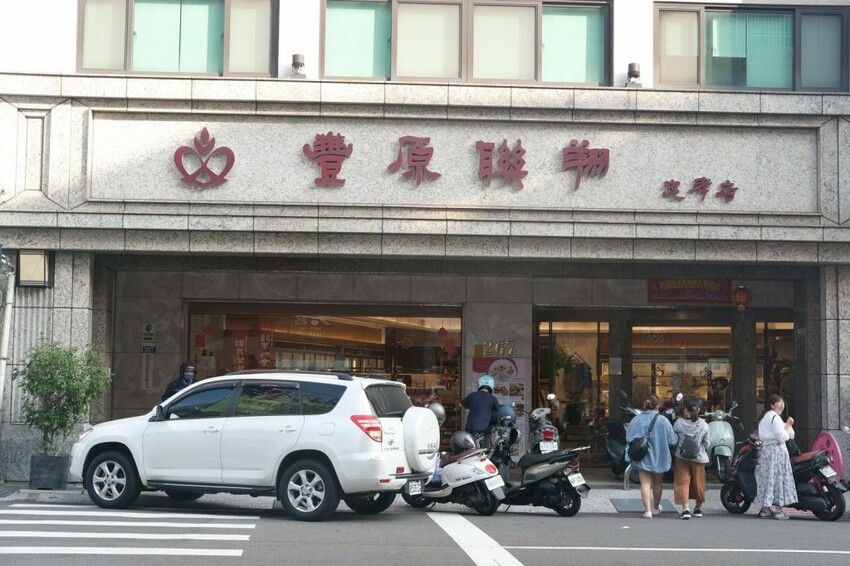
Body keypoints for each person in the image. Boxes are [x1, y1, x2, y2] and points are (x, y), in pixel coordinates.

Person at [626, 394, 678, 519]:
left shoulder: (636, 420)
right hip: (661, 456)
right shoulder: (663, 420)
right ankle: (655, 508)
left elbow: (628, 438)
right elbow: (673, 440)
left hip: (642, 457)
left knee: (645, 483)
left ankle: (647, 511)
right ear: (657, 406)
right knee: (657, 483)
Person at [755, 393, 797, 519]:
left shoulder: (765, 417)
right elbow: (781, 437)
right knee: (779, 479)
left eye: (782, 402)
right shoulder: (775, 417)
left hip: (767, 451)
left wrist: (786, 428)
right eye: (779, 402)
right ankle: (779, 510)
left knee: (768, 479)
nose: (782, 404)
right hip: (777, 451)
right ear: (772, 405)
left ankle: (765, 509)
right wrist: (788, 426)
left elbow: (788, 434)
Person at [672, 395, 711, 519]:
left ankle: (686, 509)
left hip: (681, 456)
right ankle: (698, 509)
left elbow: (674, 439)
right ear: (698, 409)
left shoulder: (678, 423)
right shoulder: (704, 425)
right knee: (699, 483)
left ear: (685, 409)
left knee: (683, 482)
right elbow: (707, 444)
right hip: (698, 457)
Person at [461, 375, 500, 447]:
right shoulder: (493, 399)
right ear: (492, 386)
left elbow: (462, 404)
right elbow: (498, 411)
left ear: (479, 384)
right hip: (484, 430)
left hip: (470, 428)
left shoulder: (472, 395)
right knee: (484, 449)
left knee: (468, 448)